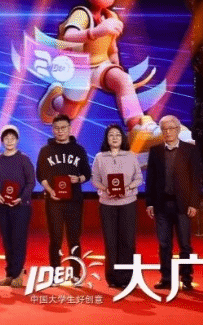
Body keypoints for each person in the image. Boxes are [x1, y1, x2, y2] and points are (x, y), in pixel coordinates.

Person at [40, 0, 189, 151]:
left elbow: (112, 47)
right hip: (79, 68)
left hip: (101, 66)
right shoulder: (81, 14)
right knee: (70, 111)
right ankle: (54, 101)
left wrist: (117, 70)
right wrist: (96, 32)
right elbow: (69, 36)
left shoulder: (111, 17)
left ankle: (137, 128)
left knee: (123, 80)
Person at [145, 115, 202, 292]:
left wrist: (194, 203)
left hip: (183, 205)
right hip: (161, 205)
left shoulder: (190, 150)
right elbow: (151, 179)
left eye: (171, 128)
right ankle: (166, 278)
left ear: (178, 129)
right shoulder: (155, 151)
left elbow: (196, 179)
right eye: (164, 129)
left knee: (185, 244)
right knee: (164, 244)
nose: (168, 132)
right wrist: (149, 203)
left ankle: (186, 278)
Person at [36, 113, 91, 281]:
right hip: (54, 201)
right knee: (55, 238)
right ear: (53, 130)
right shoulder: (45, 151)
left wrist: (78, 179)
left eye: (63, 128)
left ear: (69, 129)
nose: (60, 131)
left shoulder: (79, 150)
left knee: (74, 238)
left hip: (74, 201)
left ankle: (75, 274)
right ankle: (55, 274)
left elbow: (87, 173)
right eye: (57, 128)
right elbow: (40, 175)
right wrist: (49, 190)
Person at [92, 123, 142, 290]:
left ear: (123, 138)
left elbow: (138, 178)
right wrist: (105, 189)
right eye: (111, 135)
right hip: (107, 205)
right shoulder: (100, 157)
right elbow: (95, 180)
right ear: (107, 139)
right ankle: (112, 277)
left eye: (118, 135)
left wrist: (128, 188)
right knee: (111, 241)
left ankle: (127, 277)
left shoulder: (131, 156)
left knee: (127, 240)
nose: (114, 138)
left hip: (128, 203)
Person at [0, 124, 34, 288]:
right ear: (2, 141)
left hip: (20, 206)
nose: (9, 141)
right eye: (6, 138)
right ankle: (9, 274)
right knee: (7, 240)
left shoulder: (24, 159)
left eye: (12, 138)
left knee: (18, 240)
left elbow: (31, 182)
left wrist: (21, 198)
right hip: (2, 207)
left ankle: (18, 274)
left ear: (17, 140)